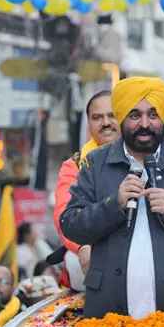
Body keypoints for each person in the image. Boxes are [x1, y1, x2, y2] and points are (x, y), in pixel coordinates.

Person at [60, 77, 164, 319]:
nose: (145, 123)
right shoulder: (96, 162)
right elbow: (71, 224)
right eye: (134, 115)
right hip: (110, 315)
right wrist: (114, 205)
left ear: (162, 116)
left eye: (153, 114)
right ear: (122, 118)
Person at [53, 90, 120, 290]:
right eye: (97, 117)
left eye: (112, 115)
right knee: (75, 262)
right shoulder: (74, 165)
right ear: (89, 123)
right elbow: (63, 216)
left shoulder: (143, 156)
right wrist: (81, 247)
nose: (105, 123)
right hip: (91, 250)